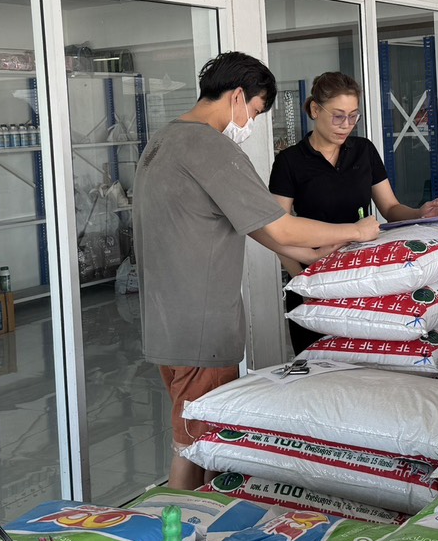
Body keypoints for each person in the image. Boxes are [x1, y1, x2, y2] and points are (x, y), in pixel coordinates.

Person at [134, 52, 379, 489]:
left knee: (206, 444)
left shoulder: (164, 141)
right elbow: (280, 224)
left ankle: (202, 517)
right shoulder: (211, 148)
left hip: (165, 324)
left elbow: (262, 230)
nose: (250, 122)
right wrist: (356, 231)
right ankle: (177, 526)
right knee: (195, 445)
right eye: (256, 110)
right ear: (238, 96)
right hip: (202, 329)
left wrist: (315, 258)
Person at [269, 71, 438, 352]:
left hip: (363, 279)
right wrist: (303, 283)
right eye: (338, 116)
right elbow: (278, 232)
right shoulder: (289, 162)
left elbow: (390, 208)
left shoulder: (363, 150)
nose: (346, 125)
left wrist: (420, 213)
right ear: (315, 110)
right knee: (318, 365)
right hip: (313, 279)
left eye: (353, 116)